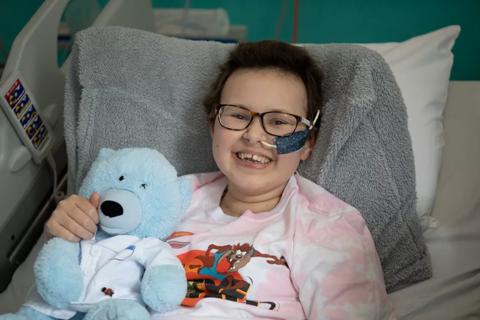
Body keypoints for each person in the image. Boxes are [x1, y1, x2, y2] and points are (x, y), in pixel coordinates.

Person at [46, 40, 395, 319]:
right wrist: (75, 227)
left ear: (307, 143)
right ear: (213, 125)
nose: (254, 136)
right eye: (238, 115)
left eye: (279, 122)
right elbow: (98, 265)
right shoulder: (166, 199)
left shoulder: (327, 228)